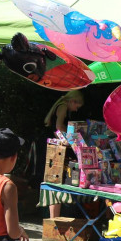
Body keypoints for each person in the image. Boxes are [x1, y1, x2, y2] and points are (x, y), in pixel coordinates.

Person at [40, 90, 85, 218]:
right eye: (77, 106)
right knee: (55, 180)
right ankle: (54, 218)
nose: (76, 109)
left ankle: (54, 218)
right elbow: (59, 127)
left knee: (55, 180)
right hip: (56, 149)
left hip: (53, 146)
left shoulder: (61, 106)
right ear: (72, 101)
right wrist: (72, 136)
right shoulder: (63, 107)